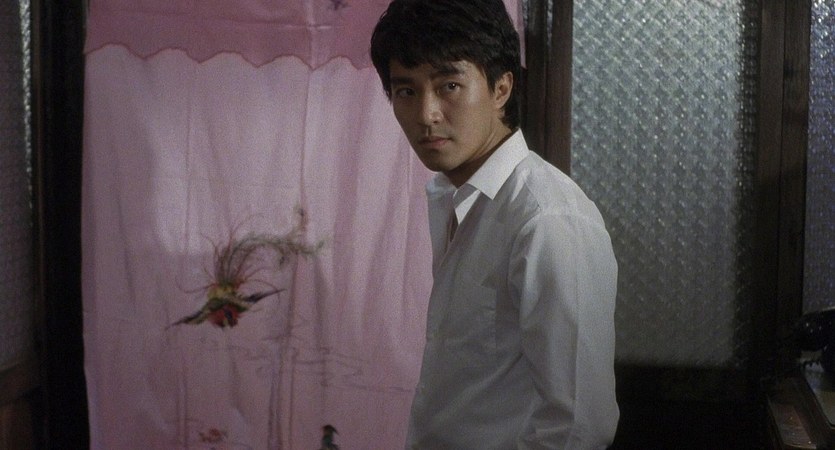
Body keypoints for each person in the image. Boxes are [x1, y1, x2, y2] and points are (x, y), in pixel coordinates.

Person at [370, 0, 619, 448]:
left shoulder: (547, 219)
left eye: (448, 85)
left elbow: (579, 424)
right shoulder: (452, 196)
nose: (426, 114)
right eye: (406, 91)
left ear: (501, 88)